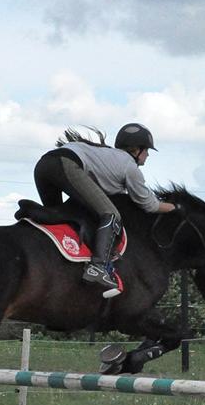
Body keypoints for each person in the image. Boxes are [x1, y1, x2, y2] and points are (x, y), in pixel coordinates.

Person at [33, 123, 181, 296]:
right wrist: (175, 208)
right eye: (146, 150)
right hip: (65, 164)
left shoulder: (107, 157)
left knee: (57, 218)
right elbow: (149, 204)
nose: (148, 155)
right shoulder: (129, 167)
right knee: (111, 215)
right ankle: (98, 267)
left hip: (43, 165)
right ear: (136, 150)